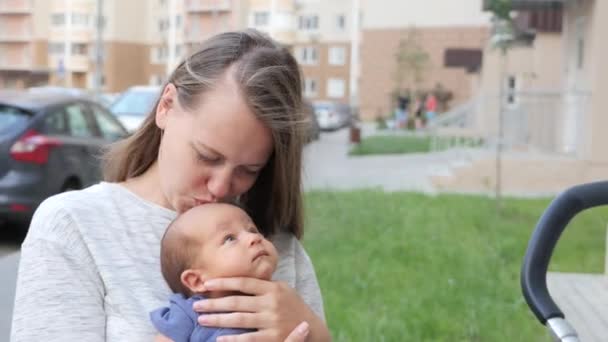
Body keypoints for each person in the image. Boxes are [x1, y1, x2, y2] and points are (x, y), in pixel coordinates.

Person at [11, 29, 330, 342]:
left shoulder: (277, 248)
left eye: (248, 170)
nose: (221, 188)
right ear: (166, 106)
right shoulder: (74, 226)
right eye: (207, 156)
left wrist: (315, 334)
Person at [150, 203, 279, 341]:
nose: (254, 237)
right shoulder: (191, 312)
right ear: (196, 280)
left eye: (253, 230)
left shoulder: (280, 303)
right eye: (230, 238)